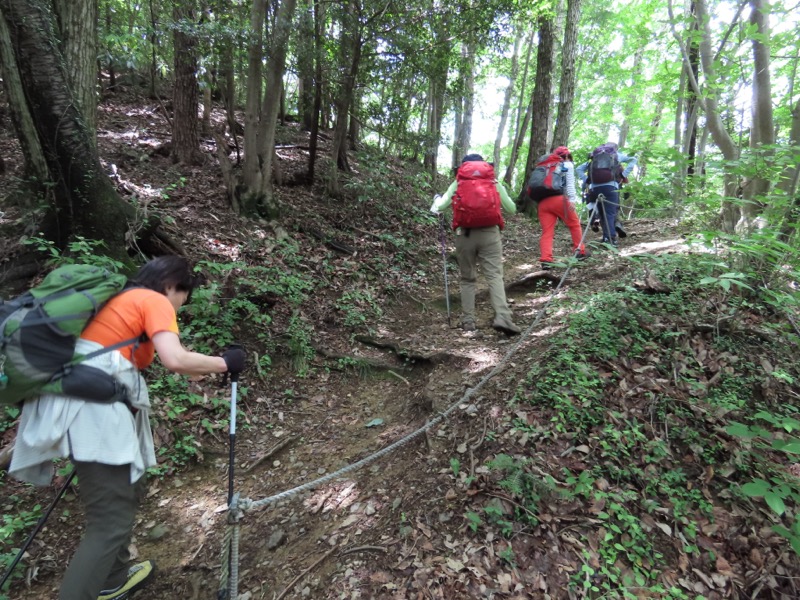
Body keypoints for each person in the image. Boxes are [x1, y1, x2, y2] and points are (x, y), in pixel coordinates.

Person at [9, 256, 246, 600]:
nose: (180, 306)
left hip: (86, 405)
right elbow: (175, 358)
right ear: (170, 286)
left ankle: (113, 577)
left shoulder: (121, 302)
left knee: (129, 490)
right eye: (183, 297)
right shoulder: (153, 299)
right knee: (109, 523)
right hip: (94, 412)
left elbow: (162, 360)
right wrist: (226, 362)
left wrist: (205, 368)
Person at [430, 153, 521, 335]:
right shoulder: (493, 182)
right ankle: (502, 316)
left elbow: (439, 208)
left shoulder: (459, 183)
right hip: (490, 234)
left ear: (464, 167)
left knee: (467, 278)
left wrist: (436, 200)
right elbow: (512, 208)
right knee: (494, 275)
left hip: (464, 234)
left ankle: (468, 321)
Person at [529, 146, 586, 270]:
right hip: (560, 200)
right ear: (567, 156)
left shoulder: (543, 167)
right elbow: (570, 184)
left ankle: (546, 260)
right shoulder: (567, 165)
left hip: (543, 203)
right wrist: (572, 201)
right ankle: (580, 252)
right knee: (574, 224)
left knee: (547, 232)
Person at [576, 143, 637, 245]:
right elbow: (633, 160)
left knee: (602, 213)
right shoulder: (616, 155)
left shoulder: (594, 157)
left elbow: (579, 169)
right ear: (615, 148)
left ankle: (605, 237)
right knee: (610, 213)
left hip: (594, 188)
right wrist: (623, 175)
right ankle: (610, 239)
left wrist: (587, 180)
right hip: (610, 187)